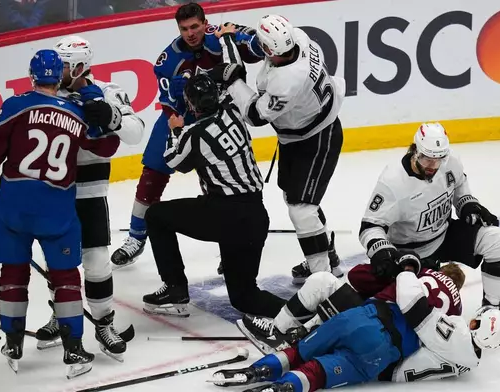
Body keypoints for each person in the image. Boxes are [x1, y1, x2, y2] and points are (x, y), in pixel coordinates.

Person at [0, 49, 120, 378]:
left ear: (32, 76)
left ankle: (13, 342)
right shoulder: (77, 113)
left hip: (14, 206)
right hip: (57, 209)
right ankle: (74, 349)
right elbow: (108, 147)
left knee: (13, 274)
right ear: (58, 76)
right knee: (66, 279)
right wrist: (106, 118)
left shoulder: (15, 106)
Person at [111, 2, 264, 269]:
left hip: (219, 115)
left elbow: (255, 47)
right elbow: (170, 104)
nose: (190, 33)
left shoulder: (219, 35)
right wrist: (177, 127)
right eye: (184, 29)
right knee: (152, 175)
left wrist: (250, 37)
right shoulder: (168, 60)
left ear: (205, 23)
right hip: (181, 115)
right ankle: (135, 238)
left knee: (221, 184)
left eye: (195, 26)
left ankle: (230, 245)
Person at [209, 268, 500, 392]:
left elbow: (358, 276)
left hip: (365, 315)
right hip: (385, 357)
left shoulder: (422, 277)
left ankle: (271, 348)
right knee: (317, 372)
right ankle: (283, 387)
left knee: (321, 289)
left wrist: (403, 266)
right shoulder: (455, 326)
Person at [32, 35, 145, 361]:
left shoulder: (109, 91)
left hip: (91, 191)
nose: (59, 69)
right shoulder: (45, 92)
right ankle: (61, 316)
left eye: (65, 65)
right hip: (54, 191)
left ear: (81, 66)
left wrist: (111, 116)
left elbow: (136, 133)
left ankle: (103, 325)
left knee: (96, 264)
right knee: (59, 263)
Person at [209, 15, 345, 285]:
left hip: (317, 135)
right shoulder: (299, 38)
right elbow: (262, 45)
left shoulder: (287, 81)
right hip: (298, 133)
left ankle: (324, 279)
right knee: (295, 198)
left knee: (302, 208)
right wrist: (237, 32)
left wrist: (234, 81)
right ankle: (327, 255)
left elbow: (255, 115)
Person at [141, 73, 286, 318]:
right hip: (256, 215)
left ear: (190, 105)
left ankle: (175, 288)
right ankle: (304, 312)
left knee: (155, 215)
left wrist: (175, 130)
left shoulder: (194, 134)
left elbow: (174, 161)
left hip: (224, 216)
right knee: (245, 296)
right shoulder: (233, 111)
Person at [358, 122, 500, 343]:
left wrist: (468, 205)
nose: (433, 165)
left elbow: (461, 188)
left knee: (499, 241)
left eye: (438, 159)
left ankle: (492, 311)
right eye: (427, 159)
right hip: (410, 254)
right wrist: (381, 251)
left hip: (443, 234)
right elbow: (370, 226)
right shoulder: (393, 182)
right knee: (416, 320)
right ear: (414, 150)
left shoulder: (449, 162)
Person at [237, 261, 466, 355]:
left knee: (323, 281)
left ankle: (279, 333)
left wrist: (392, 269)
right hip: (391, 347)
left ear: (439, 272)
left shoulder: (419, 274)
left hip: (369, 322)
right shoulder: (456, 309)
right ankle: (292, 338)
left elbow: (356, 276)